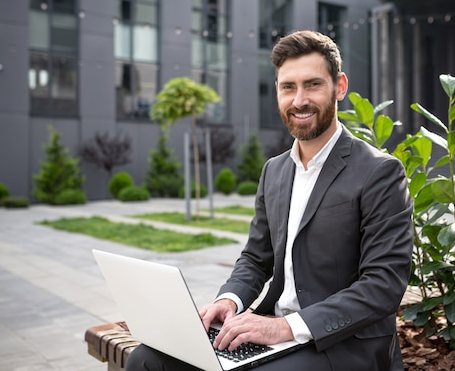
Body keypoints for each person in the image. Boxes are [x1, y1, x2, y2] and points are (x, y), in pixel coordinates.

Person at [126, 30, 414, 371]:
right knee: (146, 359)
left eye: (313, 85)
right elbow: (255, 258)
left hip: (342, 346)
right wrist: (229, 299)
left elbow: (383, 285)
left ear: (339, 87)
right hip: (271, 334)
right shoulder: (274, 171)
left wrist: (284, 327)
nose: (299, 100)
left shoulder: (380, 172)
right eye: (287, 87)